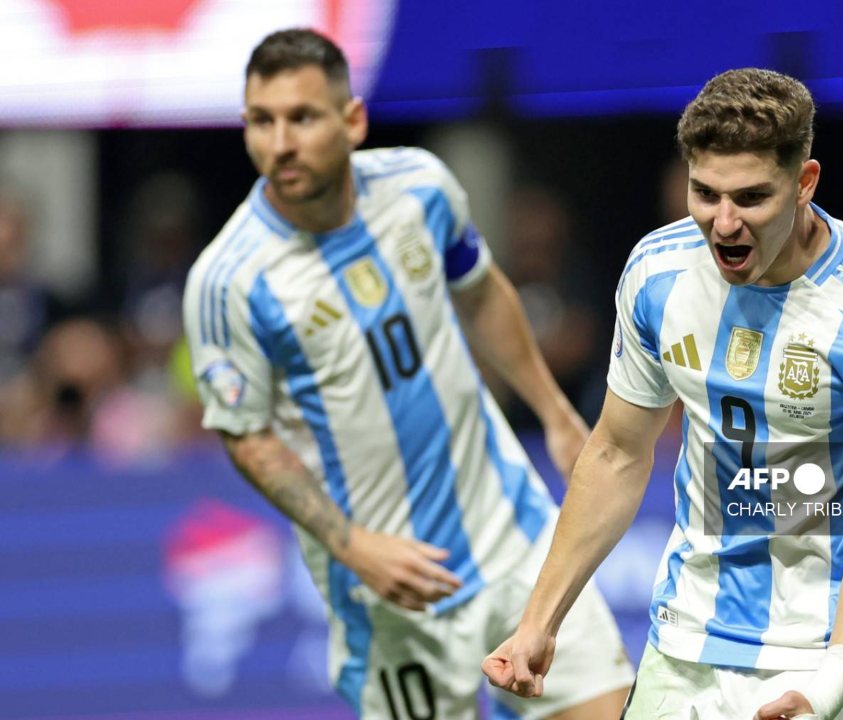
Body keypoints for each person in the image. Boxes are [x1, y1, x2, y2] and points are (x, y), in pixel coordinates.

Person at [181, 28, 632, 720]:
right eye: (261, 121)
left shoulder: (420, 187)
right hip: (389, 585)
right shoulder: (228, 281)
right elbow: (247, 437)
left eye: (301, 117)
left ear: (352, 120)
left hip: (510, 532)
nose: (281, 143)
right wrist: (352, 546)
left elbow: (480, 291)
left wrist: (554, 412)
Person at [484, 68, 843, 720]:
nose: (724, 224)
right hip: (686, 632)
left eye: (752, 198)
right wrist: (541, 620)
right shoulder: (657, 274)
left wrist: (833, 679)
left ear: (804, 183)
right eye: (706, 194)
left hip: (818, 646)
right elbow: (617, 453)